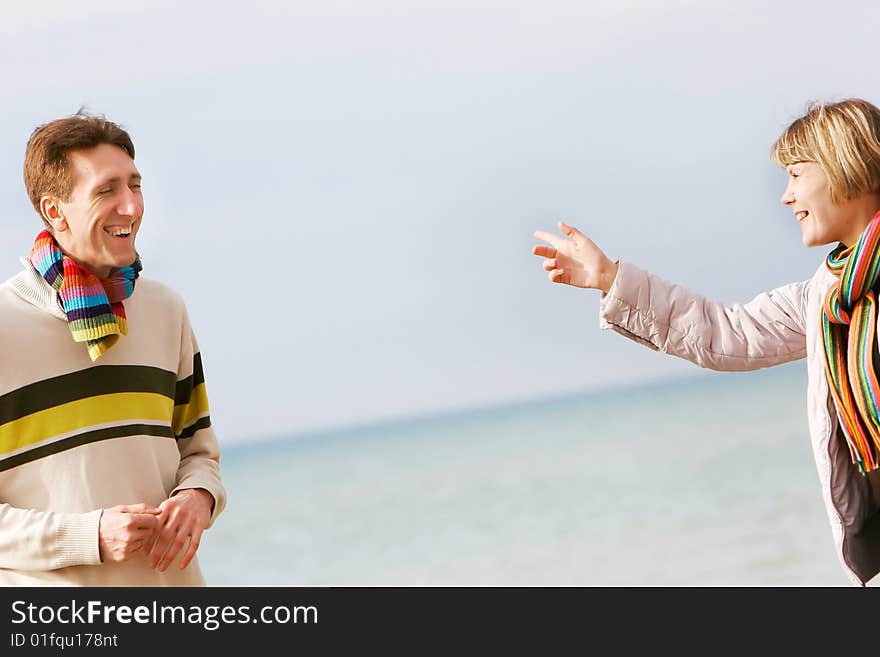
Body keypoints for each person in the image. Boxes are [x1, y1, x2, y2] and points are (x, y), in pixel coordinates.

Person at [531, 98, 880, 586]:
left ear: (848, 164)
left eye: (797, 174)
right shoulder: (825, 298)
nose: (786, 196)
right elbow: (725, 332)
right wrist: (610, 278)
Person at [0, 110, 226, 585]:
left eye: (135, 185)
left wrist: (197, 497)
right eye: (107, 190)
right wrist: (88, 535)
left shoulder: (164, 309)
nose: (131, 207)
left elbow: (199, 451)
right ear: (54, 211)